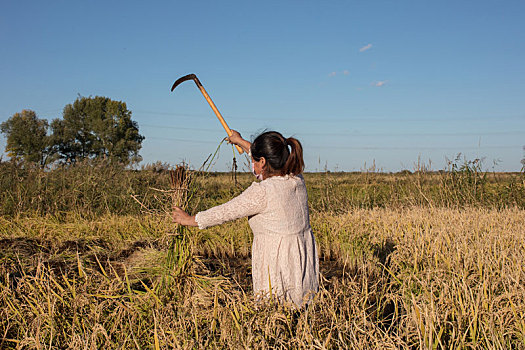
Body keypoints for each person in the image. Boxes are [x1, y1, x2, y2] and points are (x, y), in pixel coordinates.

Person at [172, 130, 319, 307]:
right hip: (300, 252)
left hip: (277, 257)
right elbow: (266, 158)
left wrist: (189, 219)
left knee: (276, 306)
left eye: (254, 161)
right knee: (301, 302)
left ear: (263, 162)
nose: (252, 164)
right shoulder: (296, 179)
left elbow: (225, 212)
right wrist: (240, 141)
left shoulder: (262, 192)